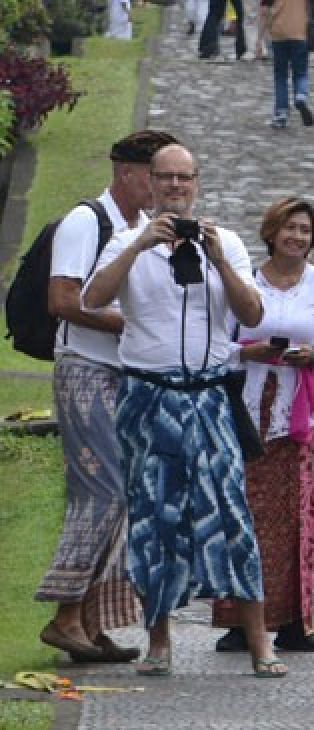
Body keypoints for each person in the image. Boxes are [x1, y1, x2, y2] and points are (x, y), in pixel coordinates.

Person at [82, 144, 285, 679]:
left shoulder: (230, 243)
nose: (175, 186)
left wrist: (219, 259)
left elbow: (253, 313)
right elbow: (91, 299)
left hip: (209, 394)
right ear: (150, 183)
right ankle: (159, 640)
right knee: (154, 518)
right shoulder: (127, 242)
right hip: (148, 397)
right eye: (165, 178)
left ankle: (259, 640)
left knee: (233, 516)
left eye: (184, 178)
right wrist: (138, 247)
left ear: (197, 183)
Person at [36, 130, 178, 664]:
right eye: (155, 174)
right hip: (86, 371)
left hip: (128, 375)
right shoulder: (85, 222)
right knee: (103, 494)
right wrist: (133, 324)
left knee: (127, 500)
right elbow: (62, 299)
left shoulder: (142, 228)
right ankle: (66, 616)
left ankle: (91, 622)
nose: (162, 185)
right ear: (126, 172)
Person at [212, 197, 314, 654]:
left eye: (305, 230)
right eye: (290, 228)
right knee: (241, 515)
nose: (297, 237)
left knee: (296, 520)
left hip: (293, 417)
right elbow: (217, 346)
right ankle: (238, 622)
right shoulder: (244, 283)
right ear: (271, 232)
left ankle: (294, 623)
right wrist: (247, 353)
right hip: (246, 413)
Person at [267, 0, 314, 129]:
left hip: (278, 32)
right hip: (300, 32)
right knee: (301, 73)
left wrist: (263, 33)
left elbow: (264, 9)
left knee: (280, 76)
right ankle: (300, 96)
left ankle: (281, 113)